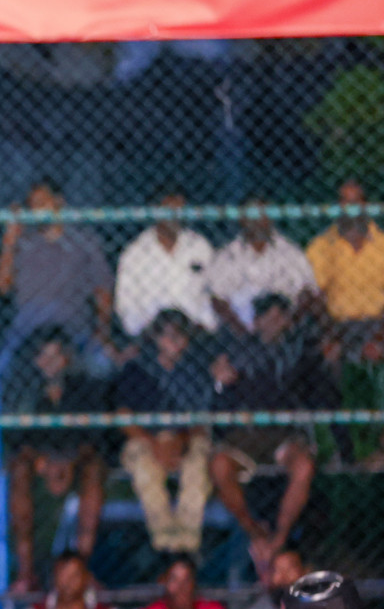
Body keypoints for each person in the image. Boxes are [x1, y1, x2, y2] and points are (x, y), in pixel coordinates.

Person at [207, 294, 323, 562]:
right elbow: (218, 403)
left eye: (279, 317)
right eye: (267, 317)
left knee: (304, 466)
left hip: (284, 434)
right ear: (256, 322)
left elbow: (313, 392)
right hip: (245, 436)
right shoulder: (238, 351)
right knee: (219, 465)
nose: (274, 323)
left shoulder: (300, 351)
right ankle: (255, 532)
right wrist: (221, 383)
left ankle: (279, 537)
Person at [3, 327, 107, 591]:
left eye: (56, 356)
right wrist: (40, 461)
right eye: (43, 356)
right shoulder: (23, 389)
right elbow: (15, 438)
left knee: (95, 470)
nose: (49, 363)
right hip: (39, 461)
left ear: (67, 359)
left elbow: (95, 437)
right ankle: (26, 572)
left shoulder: (84, 386)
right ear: (34, 360)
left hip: (74, 460)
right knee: (19, 472)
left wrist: (70, 461)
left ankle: (81, 567)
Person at [116, 309, 213, 555]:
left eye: (181, 337)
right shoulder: (138, 368)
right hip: (146, 438)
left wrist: (182, 441)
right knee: (144, 470)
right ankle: (166, 545)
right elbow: (124, 417)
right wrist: (155, 444)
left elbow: (202, 419)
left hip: (186, 437)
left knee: (198, 468)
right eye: (168, 336)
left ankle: (186, 546)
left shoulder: (194, 370)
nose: (175, 343)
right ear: (157, 339)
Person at [305, 178, 384, 465]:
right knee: (326, 365)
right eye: (344, 201)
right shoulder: (322, 245)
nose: (350, 209)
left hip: (378, 323)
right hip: (337, 325)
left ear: (367, 206)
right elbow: (314, 299)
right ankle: (342, 451)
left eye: (356, 201)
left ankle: (379, 446)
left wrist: (379, 337)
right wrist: (331, 337)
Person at [0, 179, 113, 366]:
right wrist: (10, 239)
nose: (37, 210)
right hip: (29, 330)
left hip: (72, 327)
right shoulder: (23, 243)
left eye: (42, 203)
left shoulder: (84, 240)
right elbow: (1, 287)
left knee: (102, 363)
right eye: (32, 205)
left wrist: (102, 333)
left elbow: (103, 289)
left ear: (59, 202)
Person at [114, 184, 218, 339]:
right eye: (170, 210)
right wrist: (154, 334)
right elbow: (126, 308)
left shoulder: (200, 246)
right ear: (155, 211)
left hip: (196, 336)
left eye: (180, 210)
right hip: (151, 338)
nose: (176, 216)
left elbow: (214, 296)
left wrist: (202, 329)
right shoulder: (134, 253)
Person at [206, 196, 317, 335]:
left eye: (264, 214)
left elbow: (308, 293)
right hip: (240, 334)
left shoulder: (292, 254)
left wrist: (288, 322)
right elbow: (217, 300)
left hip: (285, 333)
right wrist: (241, 331)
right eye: (253, 214)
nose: (258, 220)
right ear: (242, 219)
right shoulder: (226, 256)